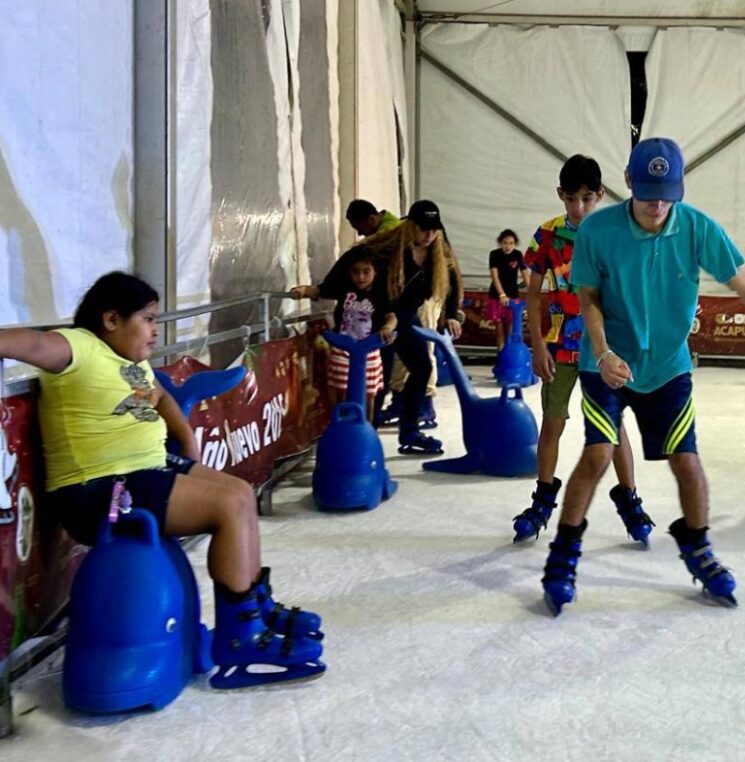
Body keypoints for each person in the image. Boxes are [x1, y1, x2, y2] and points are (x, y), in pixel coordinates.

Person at [0, 272, 323, 687]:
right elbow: (29, 344)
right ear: (111, 320)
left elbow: (162, 395)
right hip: (97, 489)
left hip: (144, 469)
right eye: (148, 319)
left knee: (240, 491)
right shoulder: (78, 346)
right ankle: (240, 638)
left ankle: (254, 606)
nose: (156, 330)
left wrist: (187, 440)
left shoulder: (131, 363)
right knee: (227, 506)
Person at [539, 138, 745, 615]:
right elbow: (588, 299)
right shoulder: (599, 230)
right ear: (629, 182)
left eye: (667, 194)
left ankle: (698, 545)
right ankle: (563, 554)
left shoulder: (696, 227)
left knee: (687, 462)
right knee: (598, 453)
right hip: (606, 365)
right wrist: (602, 352)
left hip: (668, 368)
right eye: (648, 194)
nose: (658, 205)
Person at [513, 155, 653, 547]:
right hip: (558, 348)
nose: (579, 207)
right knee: (552, 422)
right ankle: (542, 500)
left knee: (613, 426)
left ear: (600, 195)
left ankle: (630, 500)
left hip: (602, 350)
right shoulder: (547, 235)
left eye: (587, 198)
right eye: (571, 198)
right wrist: (537, 345)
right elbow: (533, 294)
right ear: (560, 194)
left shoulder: (615, 233)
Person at [321, 200, 464, 454]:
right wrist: (325, 288)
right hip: (380, 323)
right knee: (379, 382)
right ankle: (365, 440)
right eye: (423, 229)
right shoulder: (388, 247)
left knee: (422, 368)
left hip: (405, 319)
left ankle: (409, 431)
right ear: (411, 226)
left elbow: (451, 281)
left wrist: (452, 314)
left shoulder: (438, 253)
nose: (429, 235)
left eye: (433, 229)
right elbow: (354, 256)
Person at [291, 246, 397, 421]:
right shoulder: (345, 287)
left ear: (375, 271)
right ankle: (338, 423)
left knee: (369, 393)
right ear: (349, 272)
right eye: (356, 272)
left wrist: (387, 328)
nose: (360, 277)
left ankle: (367, 427)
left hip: (368, 350)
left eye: (366, 271)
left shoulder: (381, 292)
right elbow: (319, 291)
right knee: (337, 387)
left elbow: (392, 317)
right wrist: (303, 291)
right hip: (343, 347)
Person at [486, 229, 529, 351]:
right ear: (500, 243)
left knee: (511, 328)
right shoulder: (494, 254)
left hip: (513, 295)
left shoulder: (518, 255)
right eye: (505, 243)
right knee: (499, 329)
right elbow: (494, 276)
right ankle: (500, 353)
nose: (508, 246)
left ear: (515, 244)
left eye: (511, 243)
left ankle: (510, 352)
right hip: (497, 295)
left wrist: (532, 291)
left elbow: (525, 274)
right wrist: (502, 294)